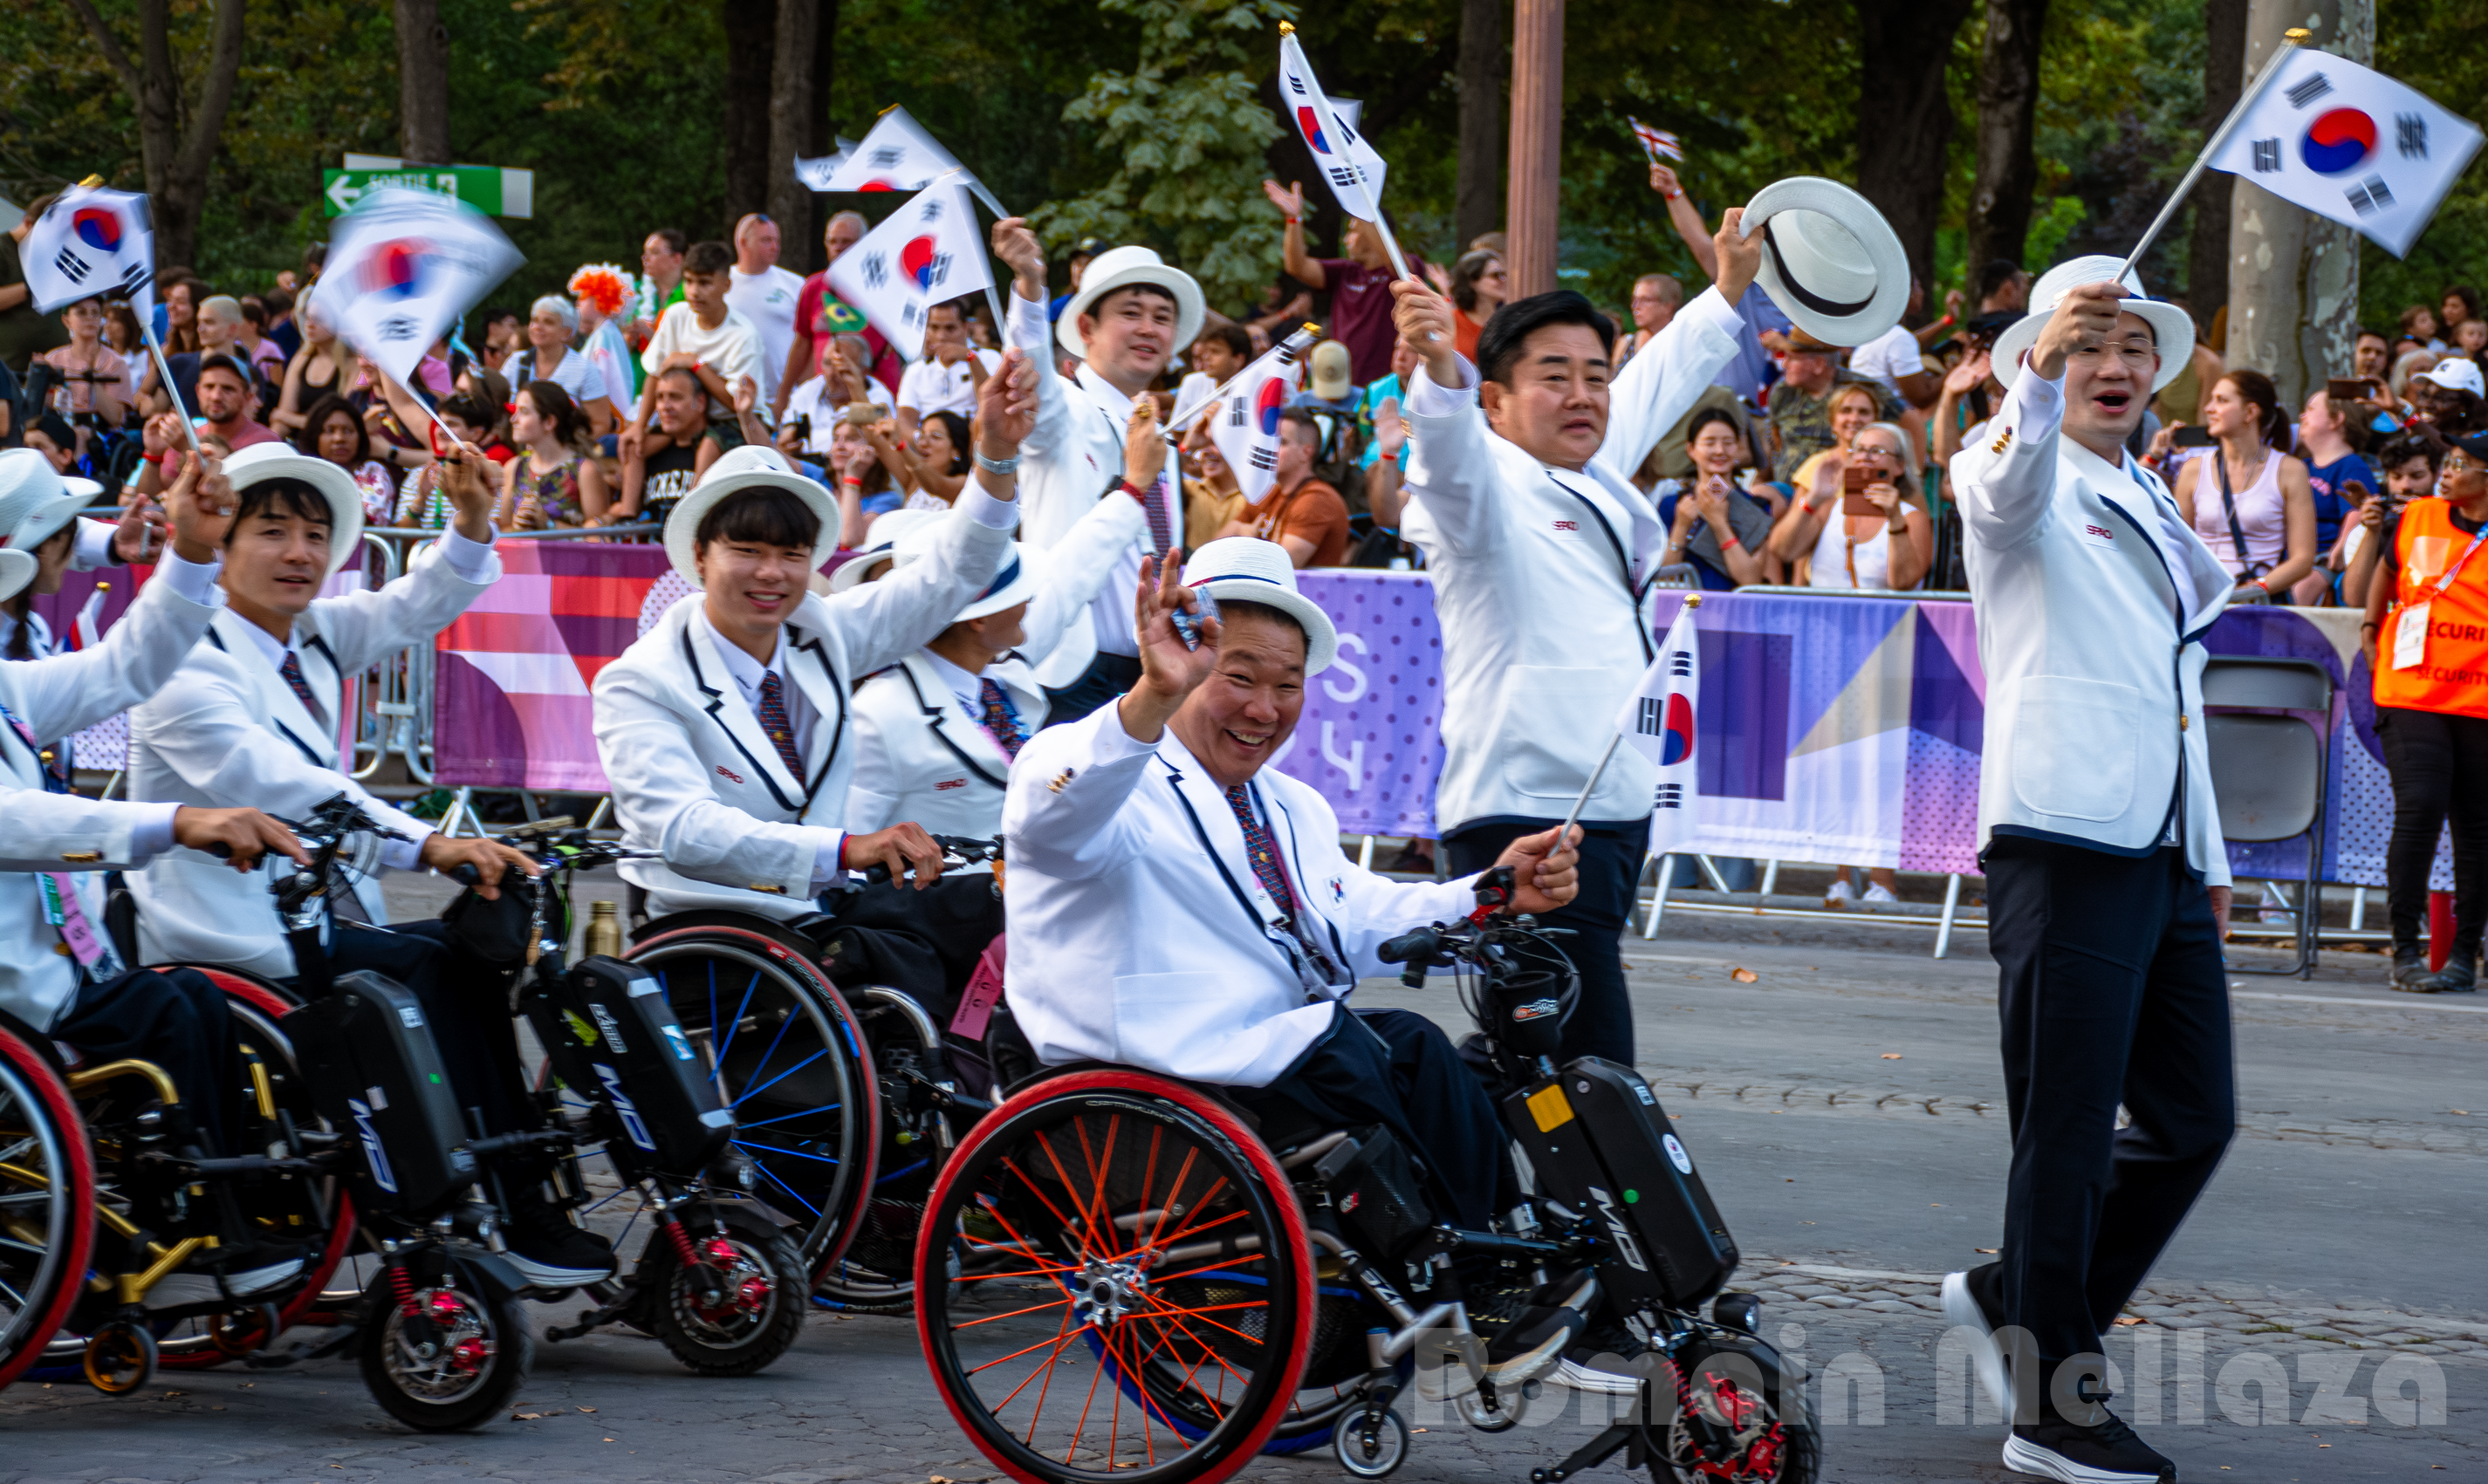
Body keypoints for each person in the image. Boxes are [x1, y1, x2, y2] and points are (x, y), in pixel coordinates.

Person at [1000, 537, 1590, 1387]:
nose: (1264, 708)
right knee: (1345, 1053)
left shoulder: (1290, 804)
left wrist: (1493, 892)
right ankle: (1455, 1298)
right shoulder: (1111, 772)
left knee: (1421, 1050)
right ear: (1184, 659)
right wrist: (1149, 697)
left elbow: (1356, 919)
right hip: (1148, 1073)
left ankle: (1495, 1278)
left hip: (1260, 1057)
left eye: (1287, 685)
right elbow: (1046, 813)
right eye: (1237, 676)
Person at [120, 441, 593, 1283]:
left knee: (469, 960)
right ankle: (480, 1203)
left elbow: (417, 605)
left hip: (319, 916)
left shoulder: (312, 637)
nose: (299, 552)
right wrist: (430, 843)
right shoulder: (180, 661)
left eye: (314, 533)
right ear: (219, 543)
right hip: (230, 937)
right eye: (271, 531)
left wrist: (474, 519)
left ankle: (514, 1192)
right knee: (427, 970)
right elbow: (279, 784)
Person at [1939, 260, 2238, 1484]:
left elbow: (2174, 689)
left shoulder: (2148, 493)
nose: (2111, 367)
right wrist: (2029, 384)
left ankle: (2014, 1291)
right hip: (2061, 838)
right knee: (2059, 1135)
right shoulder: (2008, 466)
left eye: (2128, 347)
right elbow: (2001, 491)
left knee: (2191, 1119)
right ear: (2039, 361)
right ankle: (2051, 1405)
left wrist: (2205, 853)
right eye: (2083, 345)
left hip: (2158, 846)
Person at [1388, 202, 1762, 1098]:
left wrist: (1727, 292)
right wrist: (1438, 373)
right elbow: (1445, 464)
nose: (1584, 394)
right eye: (1553, 376)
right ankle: (1418, 1178)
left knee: (1539, 1060)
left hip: (1610, 803)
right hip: (1526, 810)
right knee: (1590, 1072)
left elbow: (1656, 381)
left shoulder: (1584, 470)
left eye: (1595, 374)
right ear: (1496, 401)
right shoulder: (1480, 492)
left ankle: (1421, 1188)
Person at [0, 447, 327, 1309]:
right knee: (166, 1014)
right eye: (65, 536)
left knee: (195, 999)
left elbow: (126, 670)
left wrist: (188, 553)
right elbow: (17, 822)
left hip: (55, 969)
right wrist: (176, 822)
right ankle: (185, 1236)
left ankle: (242, 1214)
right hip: (18, 989)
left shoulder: (8, 685)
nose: (78, 549)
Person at [591, 354, 1032, 970]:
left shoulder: (817, 628)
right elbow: (684, 830)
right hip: (715, 923)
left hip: (821, 910)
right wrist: (845, 847)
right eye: (746, 550)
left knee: (1002, 912)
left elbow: (952, 573)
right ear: (699, 554)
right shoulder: (641, 679)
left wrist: (996, 456)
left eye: (792, 554)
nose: (771, 573)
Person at [846, 415, 1148, 839]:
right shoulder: (879, 714)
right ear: (980, 619)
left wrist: (1134, 489)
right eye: (1017, 593)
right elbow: (852, 853)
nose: (1029, 601)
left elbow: (1073, 573)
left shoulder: (1003, 673)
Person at [987, 220, 1203, 721]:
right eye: (1131, 313)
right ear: (1086, 328)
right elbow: (1028, 373)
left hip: (1153, 672)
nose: (1149, 329)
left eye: (1162, 317)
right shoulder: (1062, 408)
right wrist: (1029, 286)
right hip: (1072, 671)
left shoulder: (1158, 439)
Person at [2359, 429, 2488, 993]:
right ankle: (2404, 951)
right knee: (2421, 805)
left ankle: (2463, 957)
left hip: (2479, 697)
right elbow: (2386, 573)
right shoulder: (2417, 516)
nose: (2447, 468)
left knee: (2477, 828)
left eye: (2461, 462)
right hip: (2410, 689)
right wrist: (2368, 626)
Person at [2171, 369, 2317, 603]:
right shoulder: (2192, 470)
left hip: (2259, 603)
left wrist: (2249, 591)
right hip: (2202, 601)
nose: (2209, 408)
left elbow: (2303, 560)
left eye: (2221, 400)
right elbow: (2178, 546)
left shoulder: (2290, 471)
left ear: (2250, 412)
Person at [1263, 179, 1422, 384]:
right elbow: (1297, 266)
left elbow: (1397, 261)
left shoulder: (1403, 269)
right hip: (1338, 385)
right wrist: (1293, 219)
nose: (1345, 238)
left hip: (1383, 386)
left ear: (1375, 232)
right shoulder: (1346, 271)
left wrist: (1359, 200)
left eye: (1353, 229)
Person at [1772, 419, 1930, 592]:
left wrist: (1895, 518)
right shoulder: (1829, 508)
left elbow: (1903, 583)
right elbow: (1783, 551)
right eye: (1859, 450)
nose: (1865, 457)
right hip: (1824, 616)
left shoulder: (1912, 518)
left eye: (1877, 451)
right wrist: (1814, 498)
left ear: (1899, 466)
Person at [635, 240, 763, 433]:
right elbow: (655, 373)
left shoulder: (743, 334)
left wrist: (696, 364)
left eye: (704, 283)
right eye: (688, 281)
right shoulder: (676, 315)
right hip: (685, 419)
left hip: (735, 423)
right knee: (630, 447)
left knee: (710, 445)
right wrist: (639, 426)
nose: (694, 292)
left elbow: (737, 404)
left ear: (726, 285)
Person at [777, 211, 891, 418]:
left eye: (846, 242)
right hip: (825, 394)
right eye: (832, 242)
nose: (838, 248)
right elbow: (802, 344)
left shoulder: (884, 288)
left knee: (868, 443)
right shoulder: (813, 287)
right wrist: (783, 395)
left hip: (872, 391)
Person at [133, 358, 280, 503]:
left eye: (228, 389)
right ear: (197, 391)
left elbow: (225, 499)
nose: (216, 396)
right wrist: (154, 455)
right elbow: (149, 500)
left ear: (248, 397)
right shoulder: (188, 434)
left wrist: (187, 448)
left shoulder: (264, 442)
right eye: (209, 387)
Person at [1656, 407, 1772, 589]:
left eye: (1728, 442)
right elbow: (1665, 578)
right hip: (1686, 609)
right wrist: (1681, 526)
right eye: (1709, 443)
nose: (1720, 451)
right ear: (1691, 449)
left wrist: (1720, 525)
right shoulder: (1672, 504)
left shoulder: (1756, 506)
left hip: (1732, 610)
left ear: (1738, 447)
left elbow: (1751, 580)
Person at [1766, 329, 1902, 474]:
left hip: (1839, 487)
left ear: (1819, 364)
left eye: (1792, 358)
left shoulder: (1862, 389)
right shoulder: (1783, 391)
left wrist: (1910, 476)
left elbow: (1908, 420)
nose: (1784, 364)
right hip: (1786, 489)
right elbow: (1775, 438)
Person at [2291, 386, 2377, 604]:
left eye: (2310, 409)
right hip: (2292, 556)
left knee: (2298, 595)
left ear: (2336, 419)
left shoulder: (2352, 466)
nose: (2303, 416)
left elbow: (2357, 511)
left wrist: (2339, 549)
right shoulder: (2303, 466)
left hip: (2324, 560)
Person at [2342, 428, 2444, 611]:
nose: (2405, 486)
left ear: (2437, 475)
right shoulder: (2365, 530)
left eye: (2417, 476)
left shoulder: (2451, 525)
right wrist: (2372, 532)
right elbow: (2355, 599)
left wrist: (2423, 515)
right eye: (2396, 477)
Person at [1240, 407, 1350, 567]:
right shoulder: (1270, 492)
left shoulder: (1317, 499)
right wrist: (1240, 530)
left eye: (1281, 442)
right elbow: (1215, 545)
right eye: (1270, 440)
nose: (1270, 448)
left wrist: (1242, 538)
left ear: (1306, 452)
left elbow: (1277, 568)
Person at [500, 380, 610, 530]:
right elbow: (502, 528)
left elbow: (597, 537)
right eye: (515, 412)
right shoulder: (513, 467)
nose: (513, 420)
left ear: (549, 422)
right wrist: (517, 526)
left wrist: (549, 525)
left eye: (524, 412)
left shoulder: (583, 470)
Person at [619, 366, 718, 530]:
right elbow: (627, 514)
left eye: (675, 397)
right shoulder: (647, 452)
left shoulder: (717, 449)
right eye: (660, 398)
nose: (665, 406)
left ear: (700, 402)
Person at [507, 294, 619, 437]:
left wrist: (566, 449)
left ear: (566, 333)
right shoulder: (516, 362)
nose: (538, 327)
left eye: (548, 322)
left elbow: (601, 424)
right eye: (535, 320)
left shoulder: (584, 369)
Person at [725, 213, 806, 403]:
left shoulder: (795, 284)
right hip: (732, 395)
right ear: (743, 243)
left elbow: (806, 341)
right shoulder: (722, 283)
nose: (775, 247)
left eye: (777, 240)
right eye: (766, 240)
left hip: (782, 397)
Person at [895, 300, 1001, 444]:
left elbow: (991, 404)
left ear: (965, 328)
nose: (941, 336)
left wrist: (970, 358)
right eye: (934, 327)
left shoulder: (988, 357)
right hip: (929, 446)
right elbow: (905, 418)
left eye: (950, 328)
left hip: (974, 441)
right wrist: (920, 439)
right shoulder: (916, 370)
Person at [292, 393, 398, 528]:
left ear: (360, 436)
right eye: (330, 431)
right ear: (315, 436)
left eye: (348, 431)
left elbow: (370, 522)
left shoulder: (372, 472)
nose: (339, 438)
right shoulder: (303, 473)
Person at [38, 298, 130, 449]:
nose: (90, 318)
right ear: (66, 321)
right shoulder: (53, 359)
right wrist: (39, 375)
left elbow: (115, 419)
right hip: (58, 430)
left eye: (95, 313)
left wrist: (92, 381)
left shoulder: (115, 362)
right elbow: (40, 409)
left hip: (101, 437)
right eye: (81, 313)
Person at [0, 195, 70, 368]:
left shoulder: (52, 253)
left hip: (57, 365)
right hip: (12, 367)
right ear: (28, 223)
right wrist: (32, 285)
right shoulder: (3, 249)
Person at [271, 295, 353, 437]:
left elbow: (345, 422)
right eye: (308, 318)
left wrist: (289, 418)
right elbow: (283, 416)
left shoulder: (351, 364)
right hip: (298, 441)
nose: (309, 324)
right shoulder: (302, 359)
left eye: (319, 320)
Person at [1850, 279, 1940, 408]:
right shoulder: (1899, 337)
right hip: (1891, 420)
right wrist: (1957, 368)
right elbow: (1922, 397)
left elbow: (1913, 342)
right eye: (1918, 287)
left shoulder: (1881, 331)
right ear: (1908, 293)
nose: (1922, 292)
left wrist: (1948, 320)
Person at [1446, 250, 1508, 362]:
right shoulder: (1451, 320)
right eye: (1495, 275)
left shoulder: (1507, 321)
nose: (1503, 280)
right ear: (1472, 281)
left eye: (1503, 274)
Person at [632, 228, 689, 343]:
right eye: (645, 252)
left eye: (654, 252)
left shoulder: (690, 294)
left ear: (677, 259)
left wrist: (648, 333)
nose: (645, 258)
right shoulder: (635, 291)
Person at [1620, 272, 1683, 363]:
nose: (1635, 306)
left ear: (1668, 307)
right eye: (1634, 299)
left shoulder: (1680, 345)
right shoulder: (1626, 344)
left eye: (1645, 300)